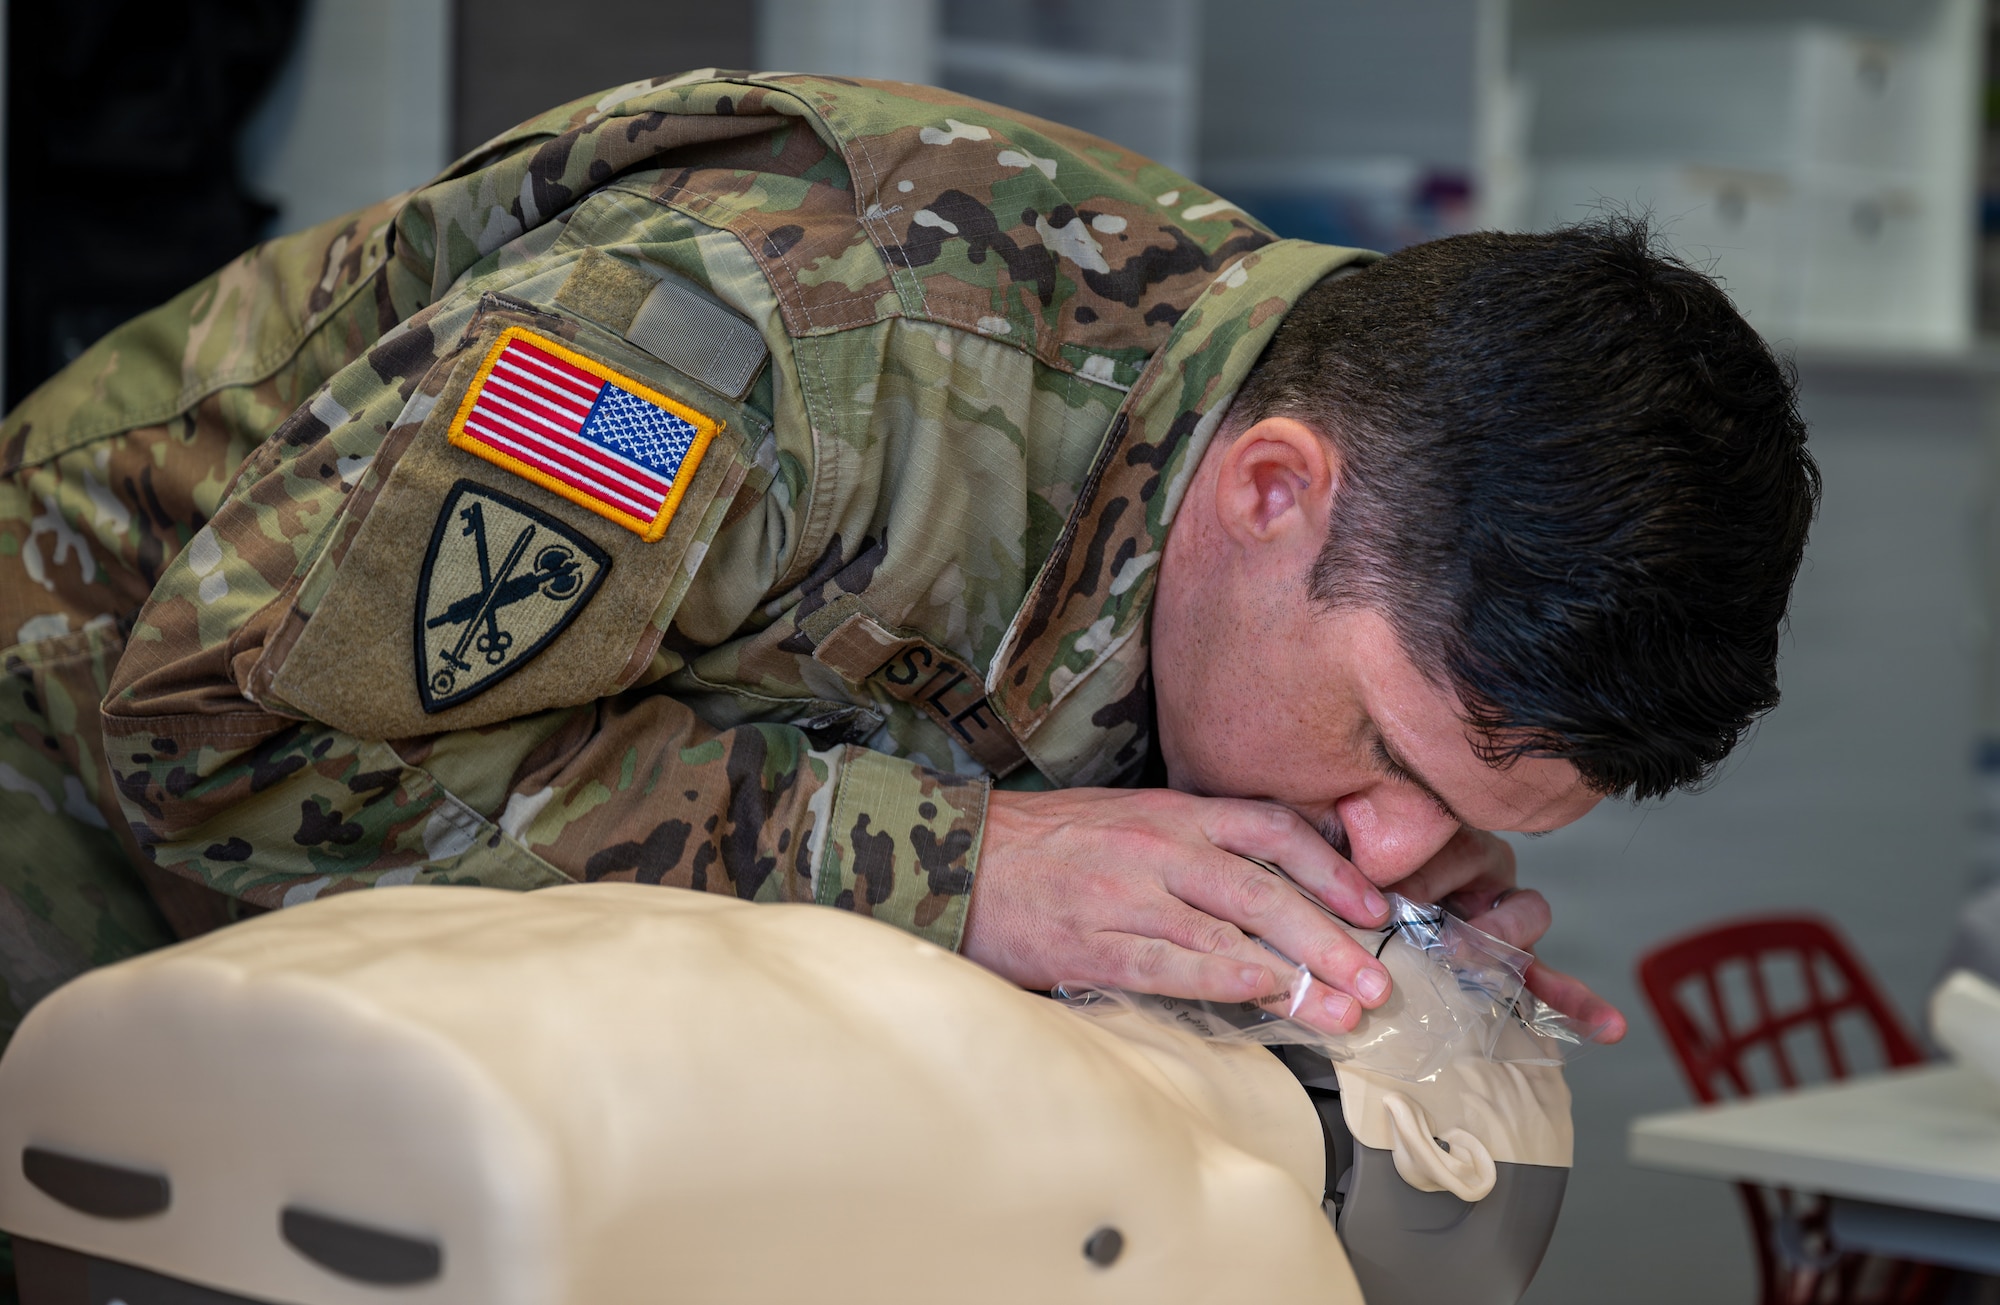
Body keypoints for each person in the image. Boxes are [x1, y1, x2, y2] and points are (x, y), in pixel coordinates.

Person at [0, 71, 1818, 1053]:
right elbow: (230, 758)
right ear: (1274, 490)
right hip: (60, 747)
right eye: (1394, 763)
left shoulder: (1288, 478)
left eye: (1471, 819)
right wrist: (943, 862)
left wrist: (1353, 947)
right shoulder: (733, 334)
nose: (1395, 837)